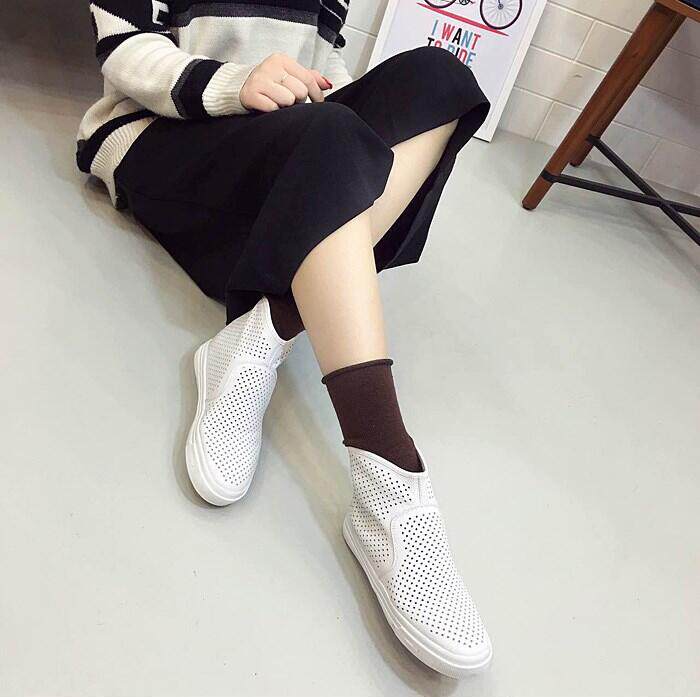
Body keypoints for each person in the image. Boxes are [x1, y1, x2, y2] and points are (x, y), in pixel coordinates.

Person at [78, 0, 492, 678]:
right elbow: (124, 51)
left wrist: (327, 102)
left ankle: (261, 331)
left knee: (443, 79)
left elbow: (320, 55)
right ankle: (387, 475)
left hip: (284, 146)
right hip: (163, 137)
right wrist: (235, 84)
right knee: (334, 138)